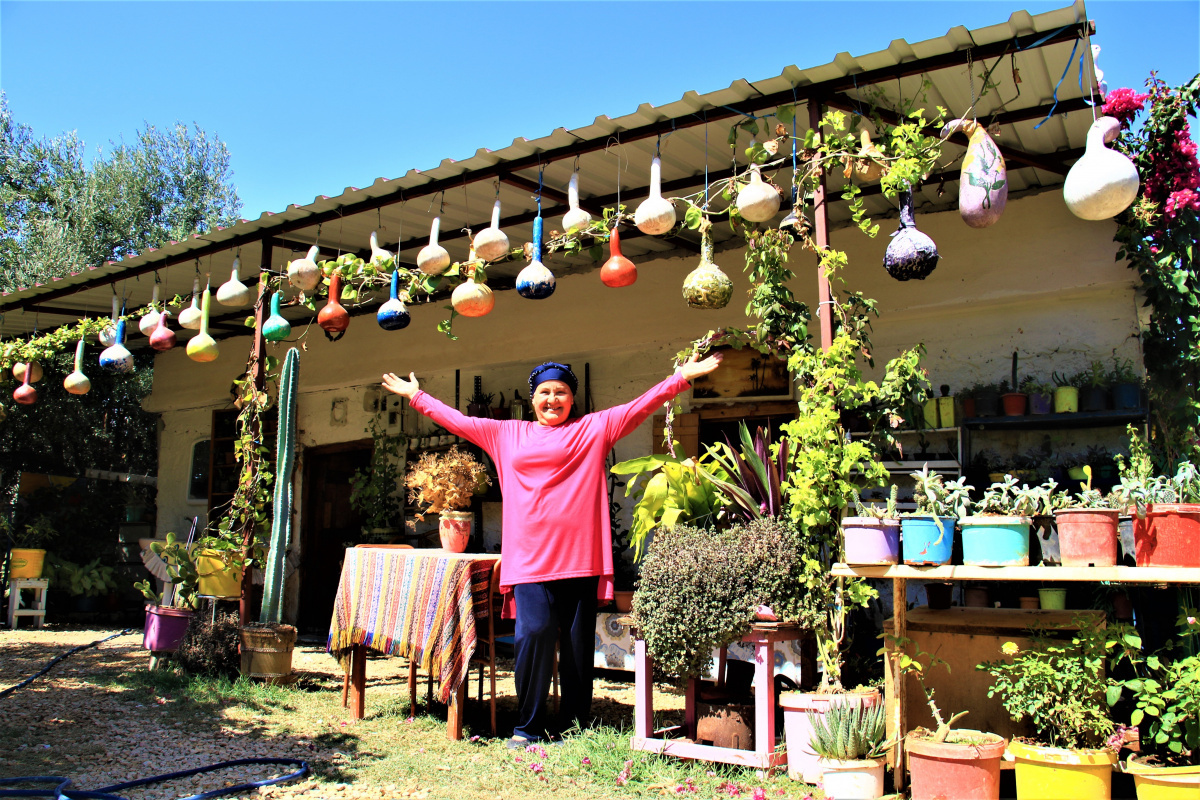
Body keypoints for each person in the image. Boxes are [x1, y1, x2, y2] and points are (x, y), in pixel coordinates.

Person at [381, 352, 721, 747]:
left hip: (581, 556)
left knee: (577, 647)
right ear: (533, 399)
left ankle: (574, 724)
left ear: (572, 399)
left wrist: (680, 378)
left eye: (561, 392)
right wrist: (417, 396)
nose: (553, 399)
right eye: (545, 392)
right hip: (530, 559)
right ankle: (527, 727)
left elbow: (639, 406)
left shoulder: (595, 428)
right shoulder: (506, 433)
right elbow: (460, 421)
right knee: (535, 635)